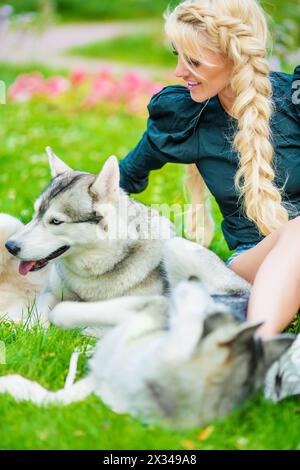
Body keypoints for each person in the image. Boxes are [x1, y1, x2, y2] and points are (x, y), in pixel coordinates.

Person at [118, 0, 300, 339]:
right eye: (177, 55)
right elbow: (120, 181)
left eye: (193, 60)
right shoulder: (186, 118)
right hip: (250, 264)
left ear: (233, 57)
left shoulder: (294, 102)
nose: (179, 71)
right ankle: (255, 348)